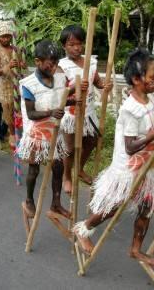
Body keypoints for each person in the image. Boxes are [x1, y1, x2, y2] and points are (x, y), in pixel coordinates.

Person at [73, 49, 154, 267]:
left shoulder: (151, 101)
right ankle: (84, 229)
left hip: (146, 167)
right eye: (152, 76)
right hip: (127, 169)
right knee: (112, 207)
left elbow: (153, 126)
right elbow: (130, 146)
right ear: (137, 80)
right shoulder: (130, 109)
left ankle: (136, 249)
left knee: (146, 208)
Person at [17, 39, 76, 218]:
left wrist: (74, 98)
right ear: (38, 62)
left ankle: (56, 203)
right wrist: (52, 112)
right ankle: (29, 200)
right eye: (50, 64)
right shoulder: (28, 84)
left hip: (54, 133)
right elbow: (31, 114)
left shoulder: (59, 78)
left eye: (56, 63)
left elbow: (60, 98)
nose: (54, 67)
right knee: (34, 170)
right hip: (36, 134)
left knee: (58, 168)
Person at [58, 25, 112, 194]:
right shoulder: (62, 66)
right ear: (64, 46)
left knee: (91, 140)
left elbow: (96, 82)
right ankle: (66, 176)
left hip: (88, 112)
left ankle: (79, 169)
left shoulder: (91, 62)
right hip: (71, 113)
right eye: (71, 44)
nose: (76, 48)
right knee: (69, 147)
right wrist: (74, 89)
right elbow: (60, 94)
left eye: (79, 44)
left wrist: (104, 85)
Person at [0, 19, 24, 148]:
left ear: (11, 36)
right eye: (2, 36)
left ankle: (21, 133)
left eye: (7, 36)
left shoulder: (16, 49)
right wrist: (8, 66)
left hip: (17, 83)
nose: (5, 39)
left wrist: (21, 64)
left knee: (20, 109)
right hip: (5, 86)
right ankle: (12, 134)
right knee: (9, 111)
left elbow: (21, 66)